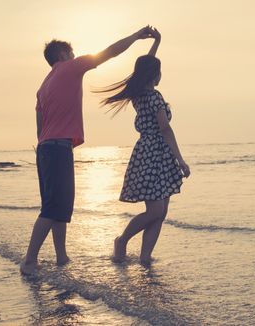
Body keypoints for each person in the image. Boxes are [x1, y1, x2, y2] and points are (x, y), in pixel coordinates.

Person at [20, 26, 155, 275]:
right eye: (71, 52)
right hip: (58, 148)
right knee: (52, 208)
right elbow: (109, 52)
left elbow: (39, 126)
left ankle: (61, 257)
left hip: (47, 148)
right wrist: (136, 37)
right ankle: (29, 261)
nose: (74, 55)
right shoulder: (70, 68)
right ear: (62, 54)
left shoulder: (43, 86)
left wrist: (49, 146)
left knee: (61, 206)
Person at [96, 27, 190, 266]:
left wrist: (157, 42)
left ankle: (145, 258)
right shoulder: (154, 97)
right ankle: (122, 240)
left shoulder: (138, 93)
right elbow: (166, 129)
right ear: (154, 75)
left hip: (150, 153)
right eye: (159, 72)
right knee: (156, 211)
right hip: (154, 154)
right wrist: (180, 159)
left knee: (160, 211)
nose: (161, 75)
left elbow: (146, 66)